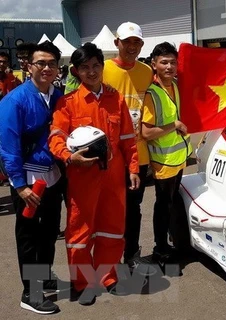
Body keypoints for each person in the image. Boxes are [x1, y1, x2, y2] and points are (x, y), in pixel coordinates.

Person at [49, 42, 140, 305]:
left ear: (102, 67)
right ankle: (83, 283)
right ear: (76, 71)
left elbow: (127, 138)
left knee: (112, 229)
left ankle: (108, 277)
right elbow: (56, 137)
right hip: (83, 177)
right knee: (80, 232)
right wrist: (69, 157)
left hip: (113, 177)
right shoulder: (67, 103)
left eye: (95, 66)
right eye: (85, 67)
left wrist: (133, 167)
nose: (91, 71)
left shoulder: (116, 98)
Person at [0, 41, 65, 314]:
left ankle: (44, 274)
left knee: (49, 231)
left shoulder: (59, 94)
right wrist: (19, 185)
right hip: (28, 178)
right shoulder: (14, 100)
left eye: (52, 63)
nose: (46, 68)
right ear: (29, 66)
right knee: (28, 234)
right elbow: (7, 145)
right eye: (41, 63)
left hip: (53, 174)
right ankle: (30, 292)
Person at [103, 21, 154, 275]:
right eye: (127, 42)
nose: (132, 47)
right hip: (111, 155)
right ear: (116, 43)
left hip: (139, 154)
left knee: (134, 209)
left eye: (137, 42)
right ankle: (108, 260)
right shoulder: (101, 70)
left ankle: (132, 254)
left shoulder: (147, 72)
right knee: (111, 209)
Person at [141, 42, 192, 262]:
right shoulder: (153, 93)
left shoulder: (176, 86)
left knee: (171, 203)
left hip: (178, 158)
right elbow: (146, 132)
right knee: (163, 205)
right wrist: (175, 125)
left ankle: (171, 241)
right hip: (163, 162)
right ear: (154, 64)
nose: (169, 66)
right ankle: (160, 248)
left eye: (173, 62)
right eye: (164, 62)